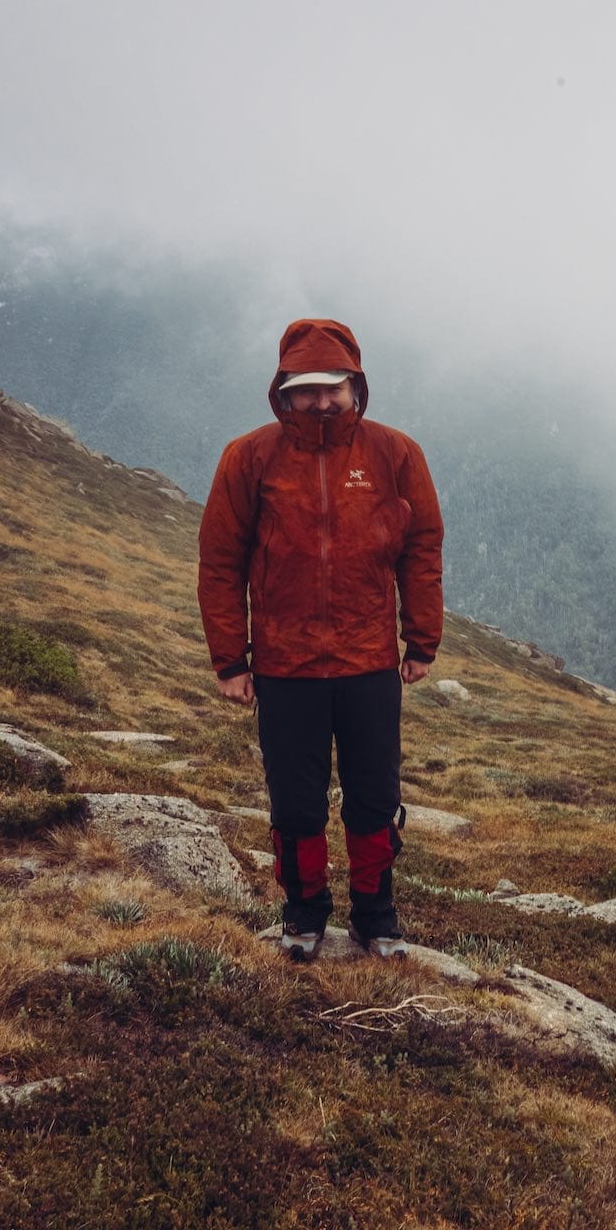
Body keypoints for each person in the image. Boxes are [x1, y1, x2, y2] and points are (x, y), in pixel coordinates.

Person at [197, 318, 443, 958]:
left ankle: (375, 918)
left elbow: (421, 549)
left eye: (333, 387)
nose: (321, 401)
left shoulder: (396, 454)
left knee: (374, 798)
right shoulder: (249, 457)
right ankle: (303, 917)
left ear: (356, 385)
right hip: (286, 665)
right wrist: (230, 660)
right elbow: (221, 562)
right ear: (283, 390)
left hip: (369, 662)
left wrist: (421, 639)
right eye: (306, 389)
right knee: (297, 805)